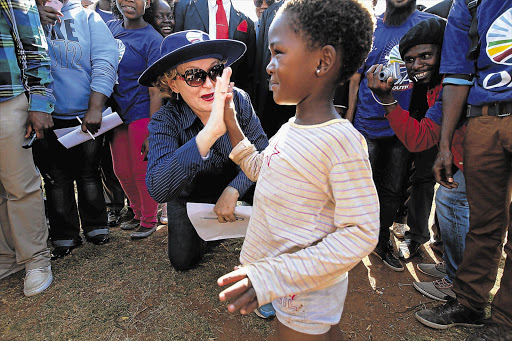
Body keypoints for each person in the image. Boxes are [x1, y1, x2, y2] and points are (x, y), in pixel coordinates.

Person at [215, 1, 378, 339]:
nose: (269, 67)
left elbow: (361, 232)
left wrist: (272, 277)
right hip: (288, 280)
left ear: (323, 61)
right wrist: (230, 121)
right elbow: (262, 168)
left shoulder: (339, 141)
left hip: (303, 289)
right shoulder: (292, 127)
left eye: (278, 53)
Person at [415, 1, 512, 338]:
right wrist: (444, 147)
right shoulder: (468, 4)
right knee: (483, 222)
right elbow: (457, 73)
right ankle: (469, 303)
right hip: (483, 117)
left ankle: (505, 320)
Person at [141, 30, 268, 271]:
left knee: (274, 188)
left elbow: (262, 150)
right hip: (191, 194)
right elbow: (158, 188)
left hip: (241, 180)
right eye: (194, 76)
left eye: (215, 71)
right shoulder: (164, 121)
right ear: (173, 83)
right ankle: (216, 228)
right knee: (182, 261)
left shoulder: (239, 100)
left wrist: (233, 190)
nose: (209, 84)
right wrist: (208, 135)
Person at [367, 17, 471, 303]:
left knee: (452, 204)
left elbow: (419, 138)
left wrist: (387, 101)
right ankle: (452, 267)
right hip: (462, 157)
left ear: (444, 52)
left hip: (477, 158)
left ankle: (458, 282)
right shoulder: (435, 86)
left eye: (426, 55)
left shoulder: (452, 83)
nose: (417, 65)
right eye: (410, 60)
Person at [346, 0, 435, 272]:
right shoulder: (370, 27)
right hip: (367, 123)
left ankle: (380, 240)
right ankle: (351, 242)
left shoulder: (425, 25)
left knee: (393, 189)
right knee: (361, 188)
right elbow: (355, 77)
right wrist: (348, 120)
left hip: (402, 125)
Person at [34, 0, 118, 258]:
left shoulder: (87, 18)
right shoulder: (28, 18)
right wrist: (35, 19)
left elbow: (105, 59)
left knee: (88, 173)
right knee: (56, 179)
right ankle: (64, 235)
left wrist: (95, 106)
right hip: (45, 115)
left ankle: (96, 227)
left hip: (85, 115)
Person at [0, 0, 54, 296]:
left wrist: (40, 100)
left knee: (20, 186)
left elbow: (34, 45)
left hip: (7, 101)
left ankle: (35, 259)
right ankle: (6, 259)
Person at [108, 0, 163, 239]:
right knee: (121, 169)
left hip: (141, 109)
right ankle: (137, 211)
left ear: (148, 2)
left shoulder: (153, 40)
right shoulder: (109, 29)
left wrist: (153, 129)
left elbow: (156, 90)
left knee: (141, 169)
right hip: (114, 113)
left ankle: (150, 218)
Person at [174, 0, 256, 95]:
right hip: (191, 94)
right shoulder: (184, 7)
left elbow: (248, 71)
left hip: (229, 95)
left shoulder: (246, 19)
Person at [252, 0, 295, 137]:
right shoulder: (270, 12)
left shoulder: (315, 9)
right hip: (270, 91)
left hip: (297, 93)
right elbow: (260, 57)